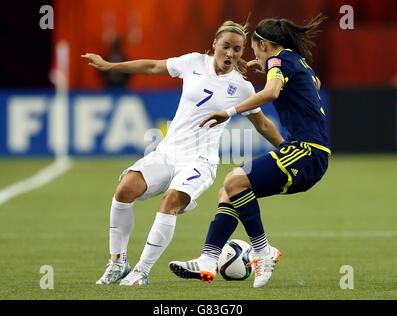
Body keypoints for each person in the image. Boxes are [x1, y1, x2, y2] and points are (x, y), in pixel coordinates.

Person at [81, 20, 284, 286]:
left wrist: (288, 148)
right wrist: (110, 65)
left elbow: (262, 124)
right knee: (124, 189)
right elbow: (154, 66)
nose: (230, 54)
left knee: (170, 202)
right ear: (214, 45)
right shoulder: (193, 62)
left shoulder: (242, 88)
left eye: (237, 49)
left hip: (200, 161)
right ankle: (118, 262)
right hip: (167, 152)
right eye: (226, 47)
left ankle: (141, 272)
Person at [169, 14, 331, 288]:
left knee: (234, 180)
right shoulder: (295, 62)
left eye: (252, 47)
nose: (249, 53)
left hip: (307, 151)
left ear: (264, 45)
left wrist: (230, 111)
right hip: (306, 153)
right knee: (230, 190)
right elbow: (312, 84)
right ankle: (208, 260)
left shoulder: (281, 60)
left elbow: (271, 93)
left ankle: (263, 251)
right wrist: (271, 69)